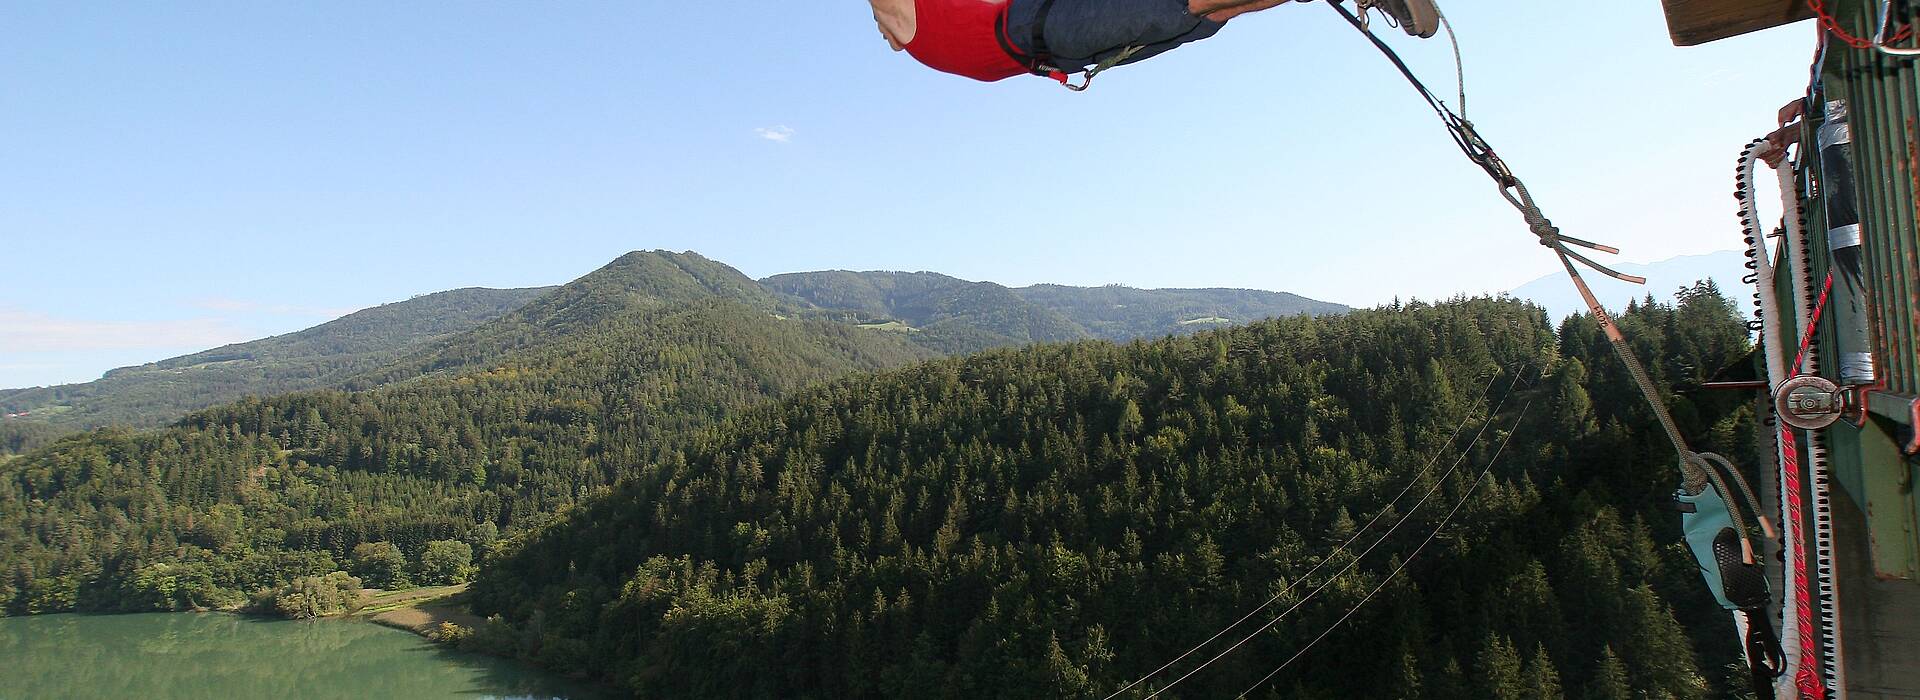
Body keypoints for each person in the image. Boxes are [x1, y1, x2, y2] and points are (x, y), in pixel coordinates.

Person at [870, 0, 1440, 85]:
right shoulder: (908, 23)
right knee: (1199, 4)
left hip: (1055, 35)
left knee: (1213, 10)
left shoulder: (920, 31)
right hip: (1053, 33)